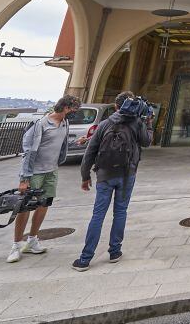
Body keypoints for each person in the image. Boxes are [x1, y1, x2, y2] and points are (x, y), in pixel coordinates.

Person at [72, 91, 152, 271]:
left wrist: (85, 176)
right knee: (120, 212)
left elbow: (90, 153)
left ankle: (85, 258)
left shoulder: (104, 124)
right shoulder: (137, 123)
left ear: (116, 106)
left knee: (98, 215)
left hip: (104, 174)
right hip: (127, 174)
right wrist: (148, 123)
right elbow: (147, 142)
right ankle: (115, 251)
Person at [7, 95, 82, 263]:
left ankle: (32, 240)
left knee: (43, 205)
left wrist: (79, 142)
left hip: (51, 171)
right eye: (74, 110)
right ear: (66, 108)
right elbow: (28, 151)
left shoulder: (65, 123)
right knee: (25, 208)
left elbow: (61, 145)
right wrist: (24, 178)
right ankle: (16, 245)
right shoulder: (40, 124)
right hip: (35, 173)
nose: (75, 113)